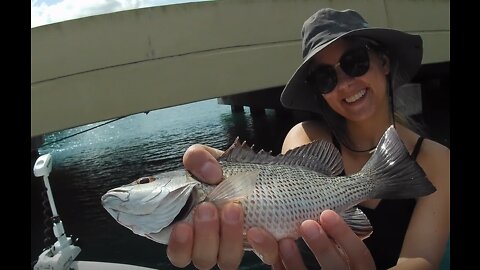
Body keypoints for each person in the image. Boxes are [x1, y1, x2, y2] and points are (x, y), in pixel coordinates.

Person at [166, 8, 450, 270]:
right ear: (319, 91)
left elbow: (420, 261)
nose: (345, 83)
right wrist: (221, 181)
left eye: (355, 62)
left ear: (384, 62)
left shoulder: (437, 160)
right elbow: (278, 198)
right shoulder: (306, 136)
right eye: (325, 77)